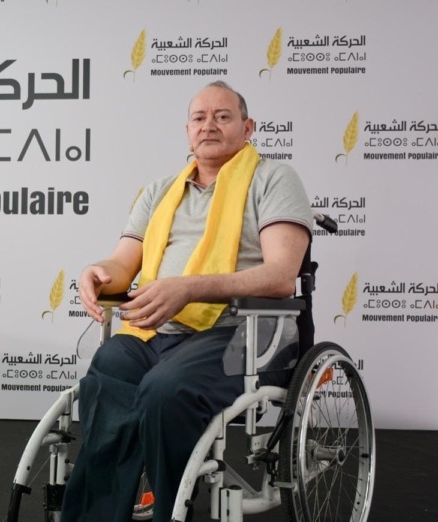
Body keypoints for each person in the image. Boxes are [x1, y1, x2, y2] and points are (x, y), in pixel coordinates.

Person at [60, 81, 313, 522]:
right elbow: (123, 262)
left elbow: (280, 276)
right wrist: (96, 271)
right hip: (159, 332)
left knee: (165, 388)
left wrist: (189, 288)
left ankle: (172, 509)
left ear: (248, 127)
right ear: (187, 131)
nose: (208, 125)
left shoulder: (274, 178)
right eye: (199, 118)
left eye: (223, 116)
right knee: (108, 372)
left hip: (243, 333)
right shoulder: (160, 191)